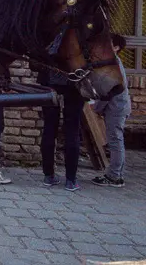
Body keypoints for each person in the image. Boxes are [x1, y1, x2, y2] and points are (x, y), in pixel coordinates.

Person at [36, 64, 84, 191]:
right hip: (74, 83)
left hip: (49, 82)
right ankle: (71, 180)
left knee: (49, 128)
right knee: (72, 129)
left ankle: (48, 175)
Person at [92, 34, 130, 188]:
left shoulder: (114, 65)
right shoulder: (113, 63)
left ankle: (114, 176)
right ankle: (117, 175)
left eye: (110, 44)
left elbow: (108, 91)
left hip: (116, 108)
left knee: (115, 141)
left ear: (116, 48)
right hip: (118, 107)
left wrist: (97, 108)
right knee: (116, 140)